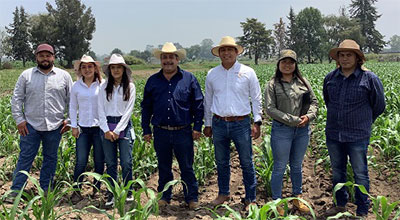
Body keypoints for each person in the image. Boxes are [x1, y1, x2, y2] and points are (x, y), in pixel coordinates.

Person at [323, 39, 385, 217]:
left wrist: (363, 121)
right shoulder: (330, 78)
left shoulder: (369, 78)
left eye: (349, 55)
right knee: (337, 172)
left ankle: (362, 210)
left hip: (358, 135)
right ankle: (339, 204)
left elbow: (379, 105)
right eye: (341, 55)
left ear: (358, 58)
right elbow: (328, 101)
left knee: (360, 173)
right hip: (334, 133)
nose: (344, 58)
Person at [141, 42, 203, 210]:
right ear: (160, 60)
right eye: (164, 57)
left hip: (183, 131)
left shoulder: (189, 79)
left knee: (187, 166)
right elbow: (146, 107)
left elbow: (198, 104)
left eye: (171, 57)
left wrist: (198, 127)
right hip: (161, 131)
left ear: (177, 59)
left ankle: (191, 198)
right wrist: (146, 129)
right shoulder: (153, 81)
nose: (168, 60)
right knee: (163, 166)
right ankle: (164, 196)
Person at [8, 43, 72, 201]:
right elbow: (16, 99)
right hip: (30, 125)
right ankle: (16, 190)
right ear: (36, 57)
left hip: (55, 126)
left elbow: (72, 101)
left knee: (50, 158)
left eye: (48, 55)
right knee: (25, 157)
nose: (45, 58)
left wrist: (69, 120)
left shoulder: (64, 76)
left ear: (53, 57)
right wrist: (19, 120)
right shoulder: (26, 75)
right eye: (41, 55)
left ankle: (46, 188)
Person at [203, 36, 262, 208]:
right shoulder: (212, 74)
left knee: (246, 161)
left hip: (241, 123)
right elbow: (208, 100)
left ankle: (250, 198)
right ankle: (223, 194)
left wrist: (257, 121)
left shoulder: (248, 72)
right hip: (219, 123)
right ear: (219, 54)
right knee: (221, 162)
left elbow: (256, 98)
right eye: (223, 50)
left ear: (236, 52)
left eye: (230, 49)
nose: (227, 53)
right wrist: (208, 124)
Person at [265, 49, 318, 215]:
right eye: (284, 62)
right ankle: (277, 202)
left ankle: (297, 198)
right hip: (282, 130)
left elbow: (314, 103)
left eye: (291, 62)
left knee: (296, 166)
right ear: (279, 64)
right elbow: (270, 109)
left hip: (302, 130)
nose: (287, 65)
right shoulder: (272, 84)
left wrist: (309, 117)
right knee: (280, 167)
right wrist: (293, 120)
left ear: (295, 65)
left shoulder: (303, 82)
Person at [98, 53, 136, 207]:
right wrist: (106, 129)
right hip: (106, 125)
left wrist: (118, 130)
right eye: (113, 67)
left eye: (118, 67)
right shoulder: (103, 87)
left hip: (124, 126)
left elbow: (128, 111)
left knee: (126, 162)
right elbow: (100, 109)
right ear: (109, 70)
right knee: (111, 163)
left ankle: (129, 190)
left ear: (123, 69)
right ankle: (111, 193)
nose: (116, 70)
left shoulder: (130, 86)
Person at [69, 55, 105, 203]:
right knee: (81, 161)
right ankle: (77, 190)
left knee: (99, 160)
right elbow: (72, 106)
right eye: (84, 67)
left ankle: (96, 189)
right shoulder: (76, 86)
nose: (87, 69)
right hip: (83, 128)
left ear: (95, 68)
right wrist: (73, 125)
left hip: (99, 128)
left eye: (90, 66)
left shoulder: (102, 84)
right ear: (80, 70)